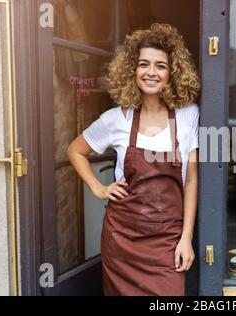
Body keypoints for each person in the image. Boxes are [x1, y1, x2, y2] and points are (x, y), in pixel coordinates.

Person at [67, 23, 200, 296]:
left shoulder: (188, 115)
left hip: (167, 239)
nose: (151, 72)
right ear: (132, 70)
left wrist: (186, 238)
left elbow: (192, 180)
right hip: (123, 240)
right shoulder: (117, 118)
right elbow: (75, 150)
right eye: (144, 64)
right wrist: (99, 188)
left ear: (172, 72)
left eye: (161, 66)